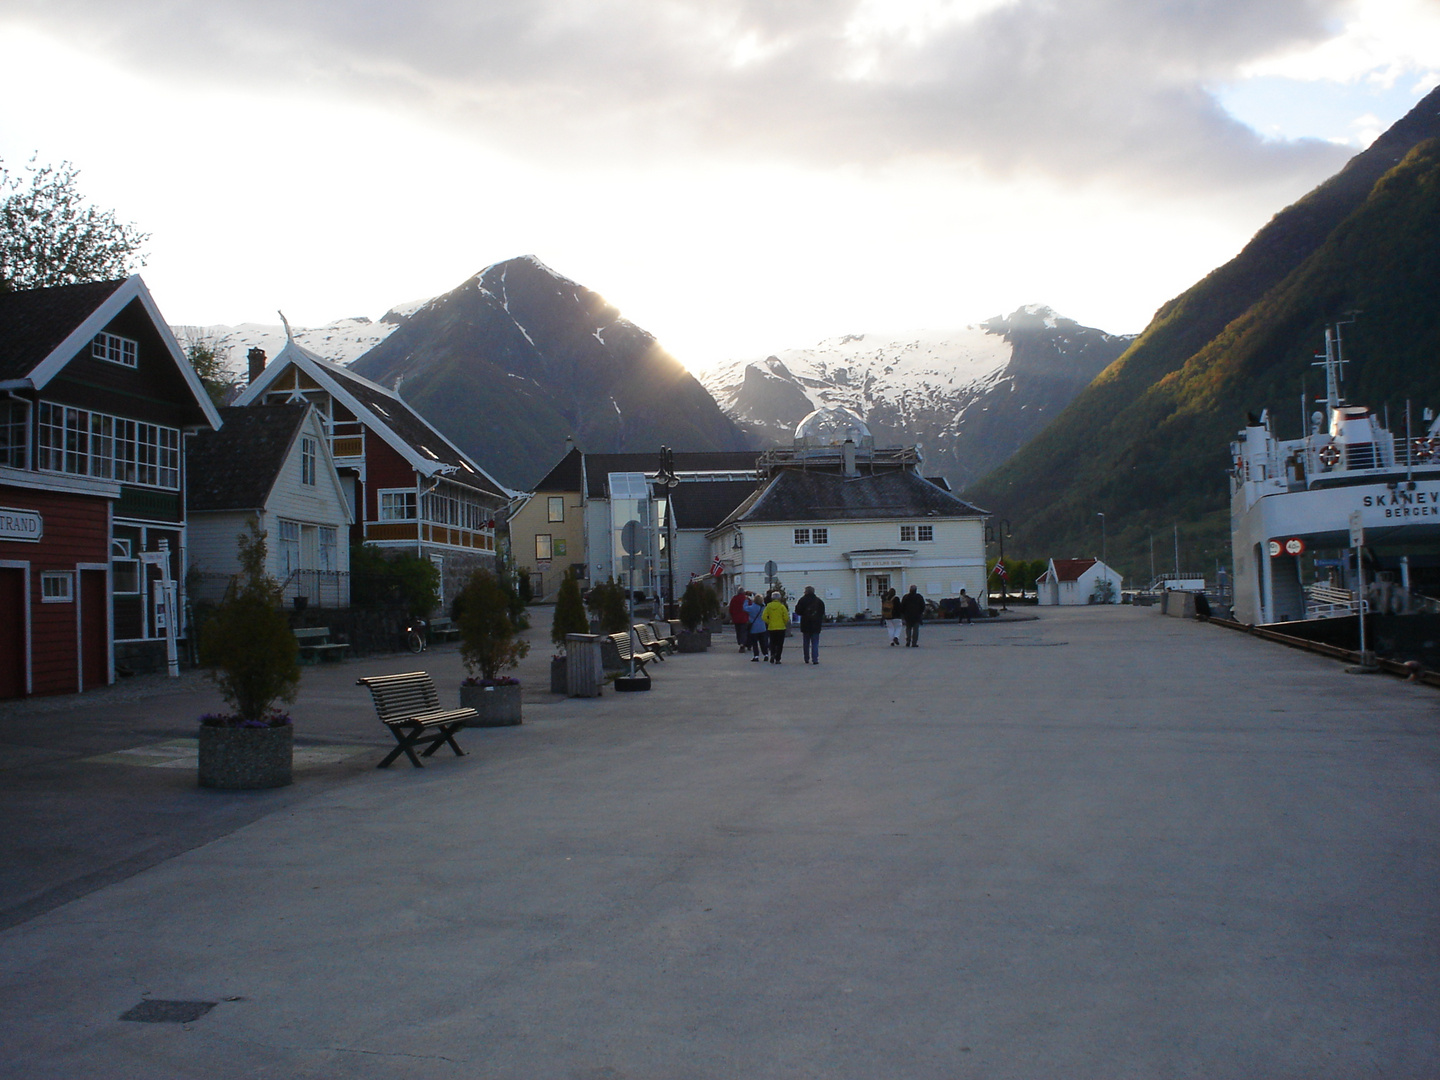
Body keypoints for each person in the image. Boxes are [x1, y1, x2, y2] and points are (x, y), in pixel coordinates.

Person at [794, 585, 825, 665]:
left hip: (805, 624)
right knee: (815, 643)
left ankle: (806, 658)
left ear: (806, 592)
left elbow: (798, 611)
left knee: (806, 642)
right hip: (816, 625)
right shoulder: (819, 601)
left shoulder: (802, 600)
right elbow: (822, 613)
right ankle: (815, 659)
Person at [761, 591, 790, 664]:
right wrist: (784, 622)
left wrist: (769, 622)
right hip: (781, 628)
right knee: (780, 644)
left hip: (771, 627)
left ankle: (772, 654)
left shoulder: (768, 606)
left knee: (772, 643)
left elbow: (764, 617)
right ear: (779, 598)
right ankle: (778, 658)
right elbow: (786, 617)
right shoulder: (782, 606)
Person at [745, 592, 769, 662]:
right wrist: (755, 593)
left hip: (754, 628)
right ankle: (766, 654)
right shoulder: (763, 607)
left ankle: (756, 656)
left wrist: (746, 600)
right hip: (762, 627)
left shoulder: (752, 608)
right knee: (763, 642)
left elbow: (744, 608)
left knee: (754, 643)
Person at [728, 587, 750, 651]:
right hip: (744, 618)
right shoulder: (746, 599)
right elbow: (750, 608)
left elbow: (731, 609)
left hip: (736, 619)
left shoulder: (734, 599)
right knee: (744, 631)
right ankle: (743, 644)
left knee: (738, 632)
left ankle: (740, 642)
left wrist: (731, 616)